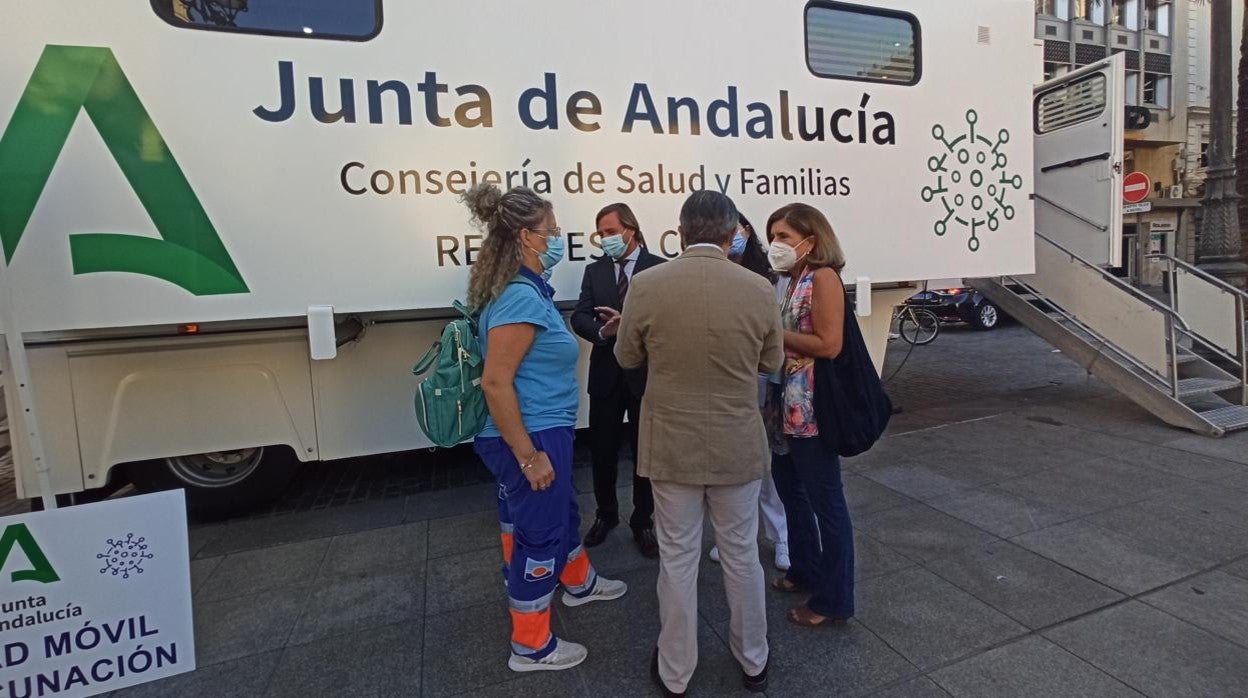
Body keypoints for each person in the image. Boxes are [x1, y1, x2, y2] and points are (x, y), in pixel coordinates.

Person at [616, 191, 782, 696]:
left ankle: (675, 671)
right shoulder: (759, 288)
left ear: (680, 232)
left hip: (671, 444)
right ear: (733, 234)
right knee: (741, 555)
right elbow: (771, 362)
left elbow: (626, 357)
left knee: (679, 558)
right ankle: (754, 660)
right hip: (737, 443)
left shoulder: (646, 284)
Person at [464, 183, 628, 672]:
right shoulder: (518, 297)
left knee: (556, 514)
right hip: (529, 435)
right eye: (551, 232)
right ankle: (531, 644)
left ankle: (577, 583)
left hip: (540, 429)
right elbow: (496, 383)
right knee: (539, 531)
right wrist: (529, 456)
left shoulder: (525, 289)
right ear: (524, 239)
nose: (558, 239)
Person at [764, 202, 855, 628]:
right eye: (773, 236)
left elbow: (829, 344)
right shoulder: (789, 280)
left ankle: (832, 599)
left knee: (826, 502)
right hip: (784, 407)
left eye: (783, 236)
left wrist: (768, 333)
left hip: (811, 410)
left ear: (810, 240)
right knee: (789, 490)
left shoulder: (823, 278)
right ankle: (804, 569)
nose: (775, 245)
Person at [571, 203, 665, 558]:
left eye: (611, 231)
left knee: (646, 453)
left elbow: (665, 321)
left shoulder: (658, 269)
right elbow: (579, 316)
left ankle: (643, 521)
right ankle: (605, 515)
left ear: (631, 229)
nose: (605, 238)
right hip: (606, 375)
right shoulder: (594, 271)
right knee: (603, 452)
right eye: (601, 233)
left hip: (645, 377)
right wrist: (601, 331)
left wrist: (630, 323)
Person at [708, 213, 790, 572]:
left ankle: (782, 536)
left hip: (763, 381)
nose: (732, 238)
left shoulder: (769, 279)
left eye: (737, 230)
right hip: (724, 386)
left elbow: (775, 336)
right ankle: (735, 538)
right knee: (732, 467)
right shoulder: (710, 276)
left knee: (769, 465)